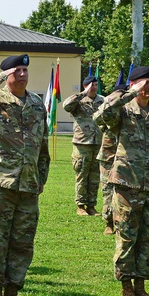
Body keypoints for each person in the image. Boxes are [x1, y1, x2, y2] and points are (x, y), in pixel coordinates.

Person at [0, 54, 50, 296]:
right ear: (5, 74)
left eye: (25, 70)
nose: (23, 74)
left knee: (22, 244)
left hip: (29, 185)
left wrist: (40, 178)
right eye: (17, 70)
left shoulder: (35, 103)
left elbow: (43, 147)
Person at [93, 66, 149, 296]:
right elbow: (99, 115)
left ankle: (141, 287)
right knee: (127, 238)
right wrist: (127, 94)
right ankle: (126, 290)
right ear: (133, 84)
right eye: (144, 83)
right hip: (127, 184)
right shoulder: (122, 111)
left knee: (148, 239)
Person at [63, 75, 104, 216]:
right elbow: (66, 105)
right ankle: (80, 206)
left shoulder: (102, 100)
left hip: (98, 142)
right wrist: (82, 94)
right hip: (82, 143)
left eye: (96, 85)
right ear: (85, 86)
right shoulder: (78, 101)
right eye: (91, 85)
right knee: (81, 174)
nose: (94, 87)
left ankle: (91, 205)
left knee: (94, 176)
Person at [95, 84, 128, 236]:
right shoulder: (108, 109)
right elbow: (97, 118)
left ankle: (122, 222)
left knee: (124, 192)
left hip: (126, 157)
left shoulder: (130, 111)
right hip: (108, 156)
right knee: (108, 191)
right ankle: (108, 222)